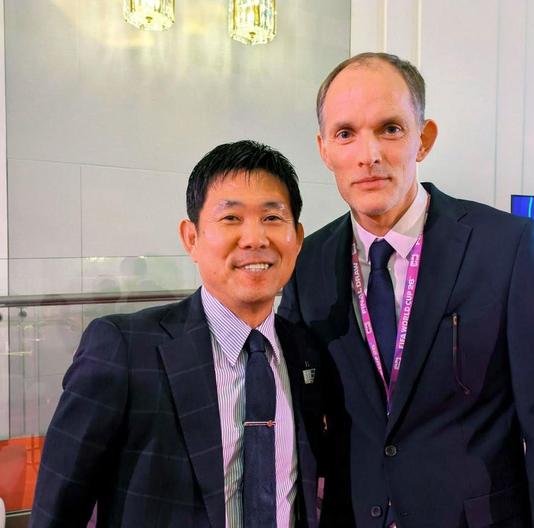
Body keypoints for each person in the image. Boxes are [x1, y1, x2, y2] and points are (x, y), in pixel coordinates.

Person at [279, 52, 534, 527]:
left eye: (390, 129)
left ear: (423, 139)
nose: (368, 155)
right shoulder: (307, 262)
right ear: (324, 149)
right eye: (345, 133)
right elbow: (300, 420)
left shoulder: (504, 248)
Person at [31, 141, 322, 528]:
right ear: (191, 238)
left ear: (297, 238)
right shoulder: (125, 350)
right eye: (231, 218)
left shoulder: (305, 352)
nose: (255, 238)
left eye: (272, 217)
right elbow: (58, 509)